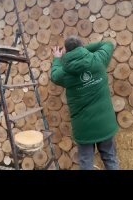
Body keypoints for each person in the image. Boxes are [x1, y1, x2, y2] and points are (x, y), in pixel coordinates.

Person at [51, 35, 120, 170]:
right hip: (105, 124)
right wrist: (82, 50)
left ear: (67, 51)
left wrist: (59, 58)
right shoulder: (98, 59)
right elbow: (108, 44)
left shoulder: (64, 73)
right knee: (110, 158)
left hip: (84, 128)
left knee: (86, 163)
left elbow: (54, 75)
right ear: (82, 46)